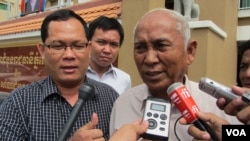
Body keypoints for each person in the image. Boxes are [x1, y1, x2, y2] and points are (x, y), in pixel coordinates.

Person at [109, 8, 241, 141]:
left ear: (190, 51)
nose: (149, 59)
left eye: (161, 46)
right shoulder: (122, 104)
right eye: (140, 48)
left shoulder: (222, 107)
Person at [0, 9, 119, 141]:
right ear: (42, 51)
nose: (69, 55)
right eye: (58, 46)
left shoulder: (111, 98)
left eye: (78, 46)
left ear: (89, 49)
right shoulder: (18, 104)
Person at [87, 16, 131, 95]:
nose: (107, 50)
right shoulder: (75, 74)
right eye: (101, 42)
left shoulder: (124, 79)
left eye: (114, 44)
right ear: (89, 44)